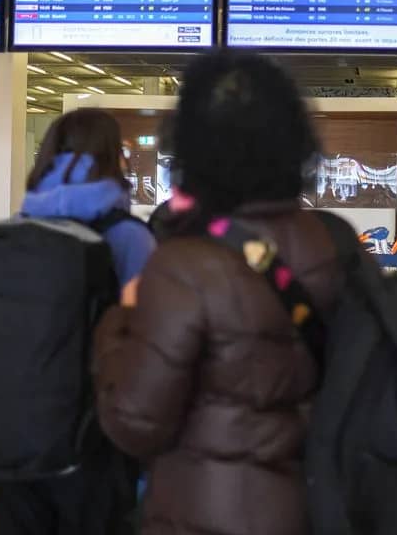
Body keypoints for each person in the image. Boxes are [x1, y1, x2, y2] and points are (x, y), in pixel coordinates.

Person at [93, 51, 346, 535]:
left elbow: (137, 422)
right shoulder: (331, 244)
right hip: (312, 508)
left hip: (207, 511)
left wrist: (119, 322)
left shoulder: (185, 266)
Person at [0, 108, 157, 535]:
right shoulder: (130, 238)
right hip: (90, 440)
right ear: (114, 160)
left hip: (12, 436)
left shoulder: (13, 232)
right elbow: (144, 343)